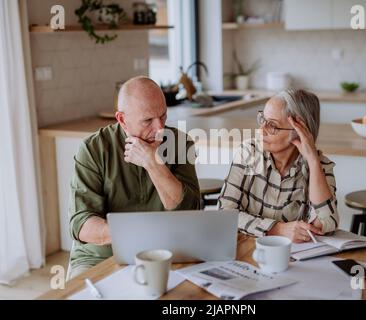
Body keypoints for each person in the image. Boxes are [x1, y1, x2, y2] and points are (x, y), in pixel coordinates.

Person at [67, 76, 200, 279]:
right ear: (122, 120)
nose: (160, 129)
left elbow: (189, 212)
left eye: (163, 116)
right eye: (148, 120)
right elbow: (82, 225)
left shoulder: (180, 143)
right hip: (100, 258)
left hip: (165, 254)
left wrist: (153, 163)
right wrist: (141, 232)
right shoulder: (93, 148)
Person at [218, 89, 339, 243]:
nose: (261, 130)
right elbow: (225, 213)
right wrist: (277, 229)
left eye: (272, 125)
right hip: (246, 246)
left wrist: (313, 161)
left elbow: (327, 223)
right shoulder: (248, 154)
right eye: (262, 119)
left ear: (299, 132)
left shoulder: (320, 165)